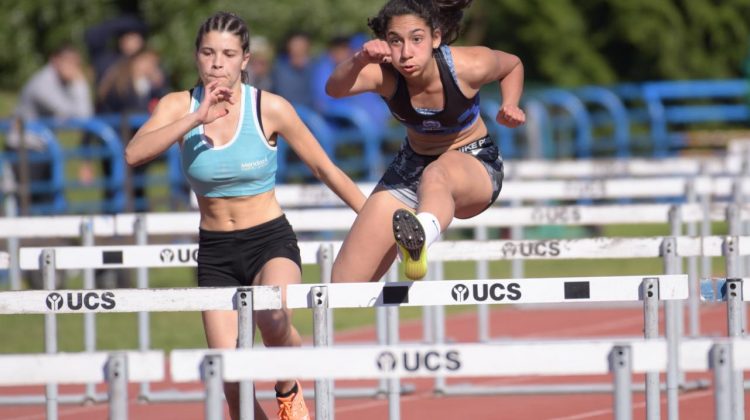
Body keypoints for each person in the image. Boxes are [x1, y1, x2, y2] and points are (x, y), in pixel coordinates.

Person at [124, 11, 366, 420]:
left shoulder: (268, 108)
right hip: (216, 251)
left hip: (269, 240)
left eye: (228, 54)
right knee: (230, 377)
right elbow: (133, 154)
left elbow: (326, 169)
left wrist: (374, 218)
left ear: (245, 60)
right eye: (208, 52)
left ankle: (288, 388)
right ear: (197, 57)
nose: (217, 63)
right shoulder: (178, 106)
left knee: (272, 317)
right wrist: (196, 119)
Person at [326, 0, 525, 282]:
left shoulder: (469, 66)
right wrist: (359, 59)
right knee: (343, 284)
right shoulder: (384, 74)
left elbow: (512, 64)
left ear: (436, 38)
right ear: (385, 44)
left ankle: (419, 238)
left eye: (416, 39)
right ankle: (415, 236)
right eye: (396, 41)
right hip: (411, 167)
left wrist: (511, 104)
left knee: (438, 173)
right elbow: (334, 89)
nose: (406, 53)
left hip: (473, 162)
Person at [271, 31, 315, 108]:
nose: (298, 48)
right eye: (295, 44)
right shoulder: (279, 68)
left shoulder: (315, 67)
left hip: (311, 112)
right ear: (288, 46)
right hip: (285, 110)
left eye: (301, 44)